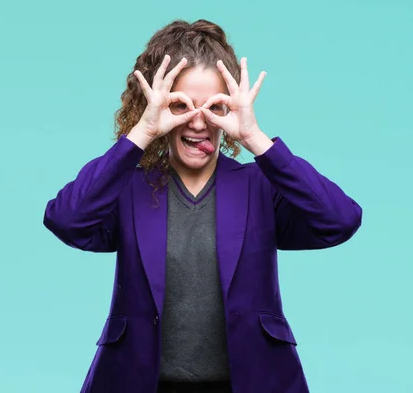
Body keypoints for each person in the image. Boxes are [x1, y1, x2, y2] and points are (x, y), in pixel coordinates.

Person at [43, 19, 362, 393]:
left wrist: (255, 139)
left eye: (214, 107)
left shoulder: (260, 186)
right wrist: (141, 135)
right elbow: (66, 220)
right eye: (180, 105)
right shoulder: (128, 186)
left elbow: (340, 220)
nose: (197, 122)